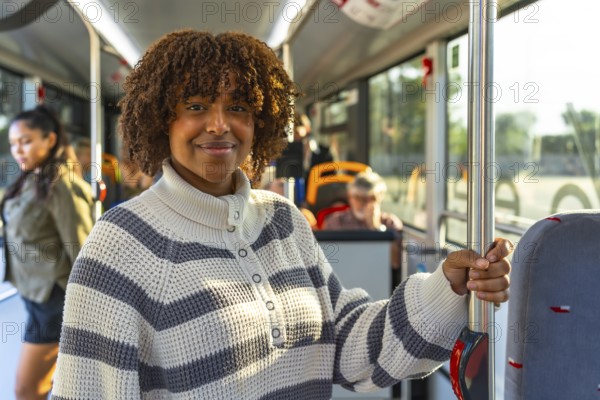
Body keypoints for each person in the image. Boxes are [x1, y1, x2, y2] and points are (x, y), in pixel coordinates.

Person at [52, 30, 512, 399]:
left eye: (238, 107)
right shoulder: (120, 243)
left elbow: (346, 347)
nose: (218, 124)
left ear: (260, 123)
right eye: (195, 106)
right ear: (161, 120)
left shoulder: (282, 220)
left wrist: (448, 288)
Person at [1, 105, 94, 400]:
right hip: (35, 295)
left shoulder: (61, 184)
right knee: (55, 386)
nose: (18, 150)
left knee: (27, 390)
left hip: (54, 303)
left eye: (26, 141)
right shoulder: (32, 179)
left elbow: (82, 251)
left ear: (50, 140)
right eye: (14, 144)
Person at [322, 170, 403, 232]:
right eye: (359, 198)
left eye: (371, 198)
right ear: (349, 197)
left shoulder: (391, 223)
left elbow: (395, 252)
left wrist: (376, 227)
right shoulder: (335, 222)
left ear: (380, 198)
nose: (365, 204)